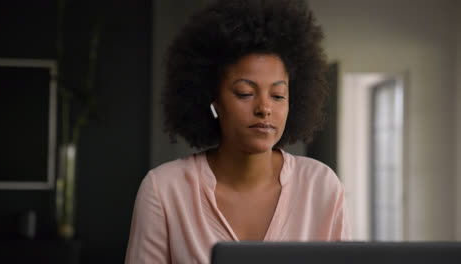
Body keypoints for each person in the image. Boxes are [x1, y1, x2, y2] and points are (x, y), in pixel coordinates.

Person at [125, 0, 350, 263]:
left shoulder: (321, 187)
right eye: (245, 93)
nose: (264, 108)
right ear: (213, 99)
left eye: (278, 95)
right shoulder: (164, 190)